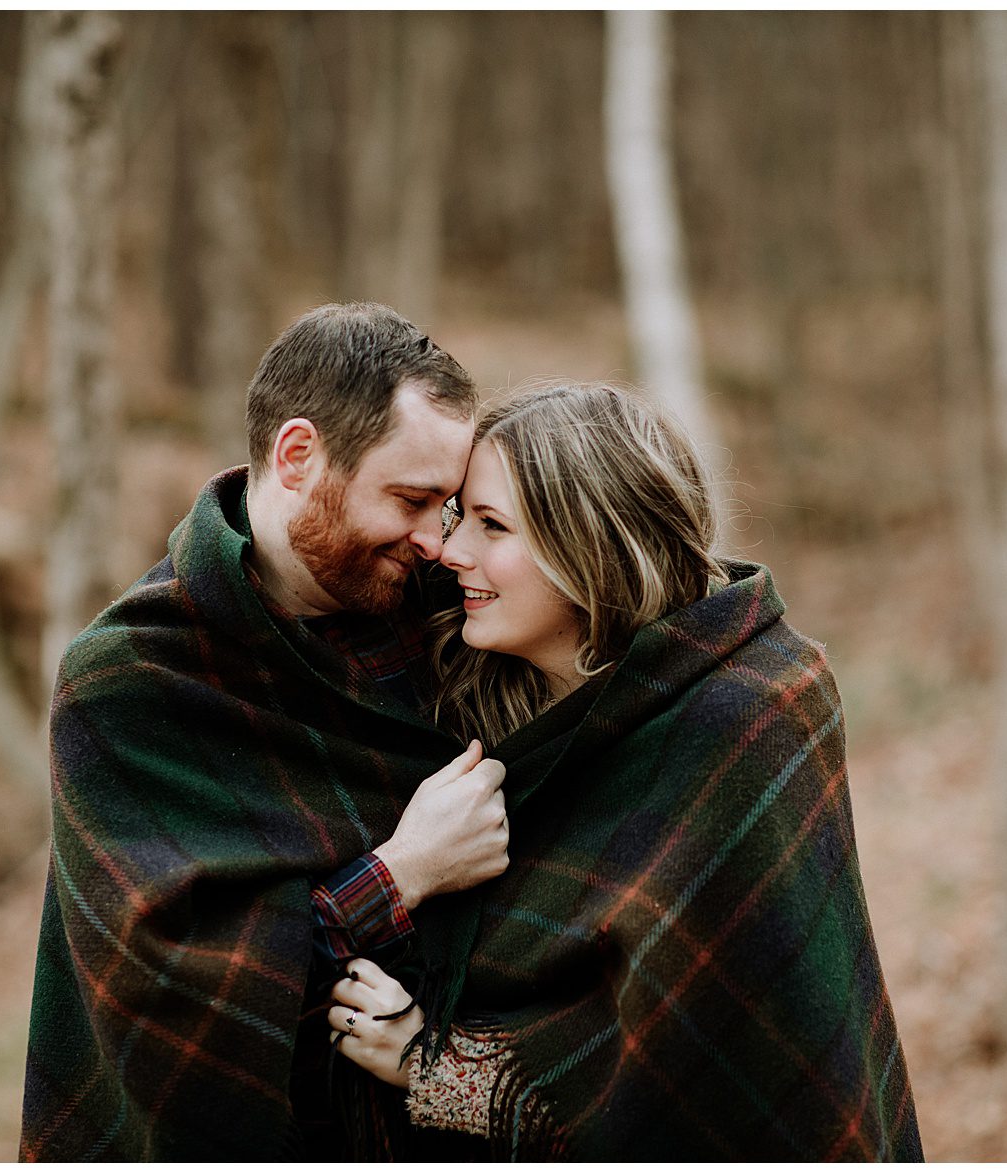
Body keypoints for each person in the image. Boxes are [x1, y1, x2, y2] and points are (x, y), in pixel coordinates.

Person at [326, 383, 924, 1160]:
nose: (451, 550)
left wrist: (436, 1066)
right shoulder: (467, 687)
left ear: (591, 542)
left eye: (492, 524)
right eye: (456, 517)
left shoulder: (746, 715)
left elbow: (708, 1062)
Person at [19, 303, 518, 1160]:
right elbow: (162, 993)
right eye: (411, 499)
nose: (439, 541)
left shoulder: (454, 614)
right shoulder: (130, 679)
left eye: (452, 505)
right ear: (297, 457)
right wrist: (400, 876)